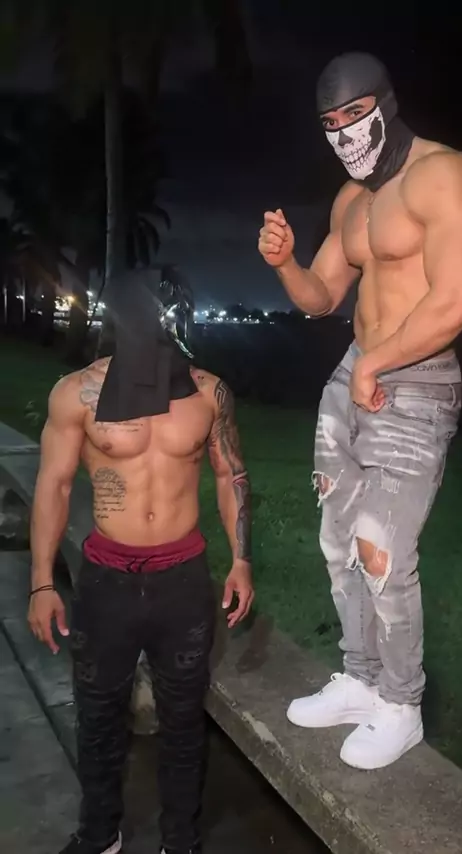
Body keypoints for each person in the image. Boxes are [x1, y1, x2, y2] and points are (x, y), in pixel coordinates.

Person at [258, 52, 462, 771]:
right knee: (339, 541)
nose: (345, 132)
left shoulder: (447, 174)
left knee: (383, 550)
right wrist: (286, 264)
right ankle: (360, 678)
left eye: (355, 114)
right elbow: (323, 296)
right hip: (355, 375)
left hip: (415, 381)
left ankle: (402, 704)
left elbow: (455, 302)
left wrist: (376, 364)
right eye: (331, 122)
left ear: (386, 102)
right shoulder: (351, 200)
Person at [27, 269, 254, 854]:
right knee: (98, 715)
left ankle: (180, 840)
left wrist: (241, 559)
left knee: (183, 719)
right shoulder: (76, 393)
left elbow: (229, 474)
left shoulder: (208, 393)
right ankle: (99, 834)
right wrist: (42, 583)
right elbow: (53, 486)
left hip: (183, 580)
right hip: (108, 581)